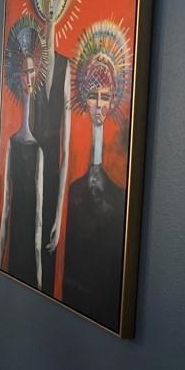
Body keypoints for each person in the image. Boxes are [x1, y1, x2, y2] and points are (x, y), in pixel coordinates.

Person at [63, 21, 130, 331]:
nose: (100, 105)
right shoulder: (74, 191)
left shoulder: (118, 196)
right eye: (93, 96)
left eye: (106, 96)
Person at [29, 0, 74, 295]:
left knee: (47, 244)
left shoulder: (66, 67)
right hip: (27, 165)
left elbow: (69, 148)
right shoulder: (28, 64)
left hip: (53, 167)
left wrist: (60, 211)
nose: (52, 0)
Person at [0, 15, 48, 289]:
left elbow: (40, 217)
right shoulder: (12, 142)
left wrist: (40, 276)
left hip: (30, 236)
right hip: (15, 232)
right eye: (24, 73)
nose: (28, 79)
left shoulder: (38, 149)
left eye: (32, 72)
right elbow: (5, 207)